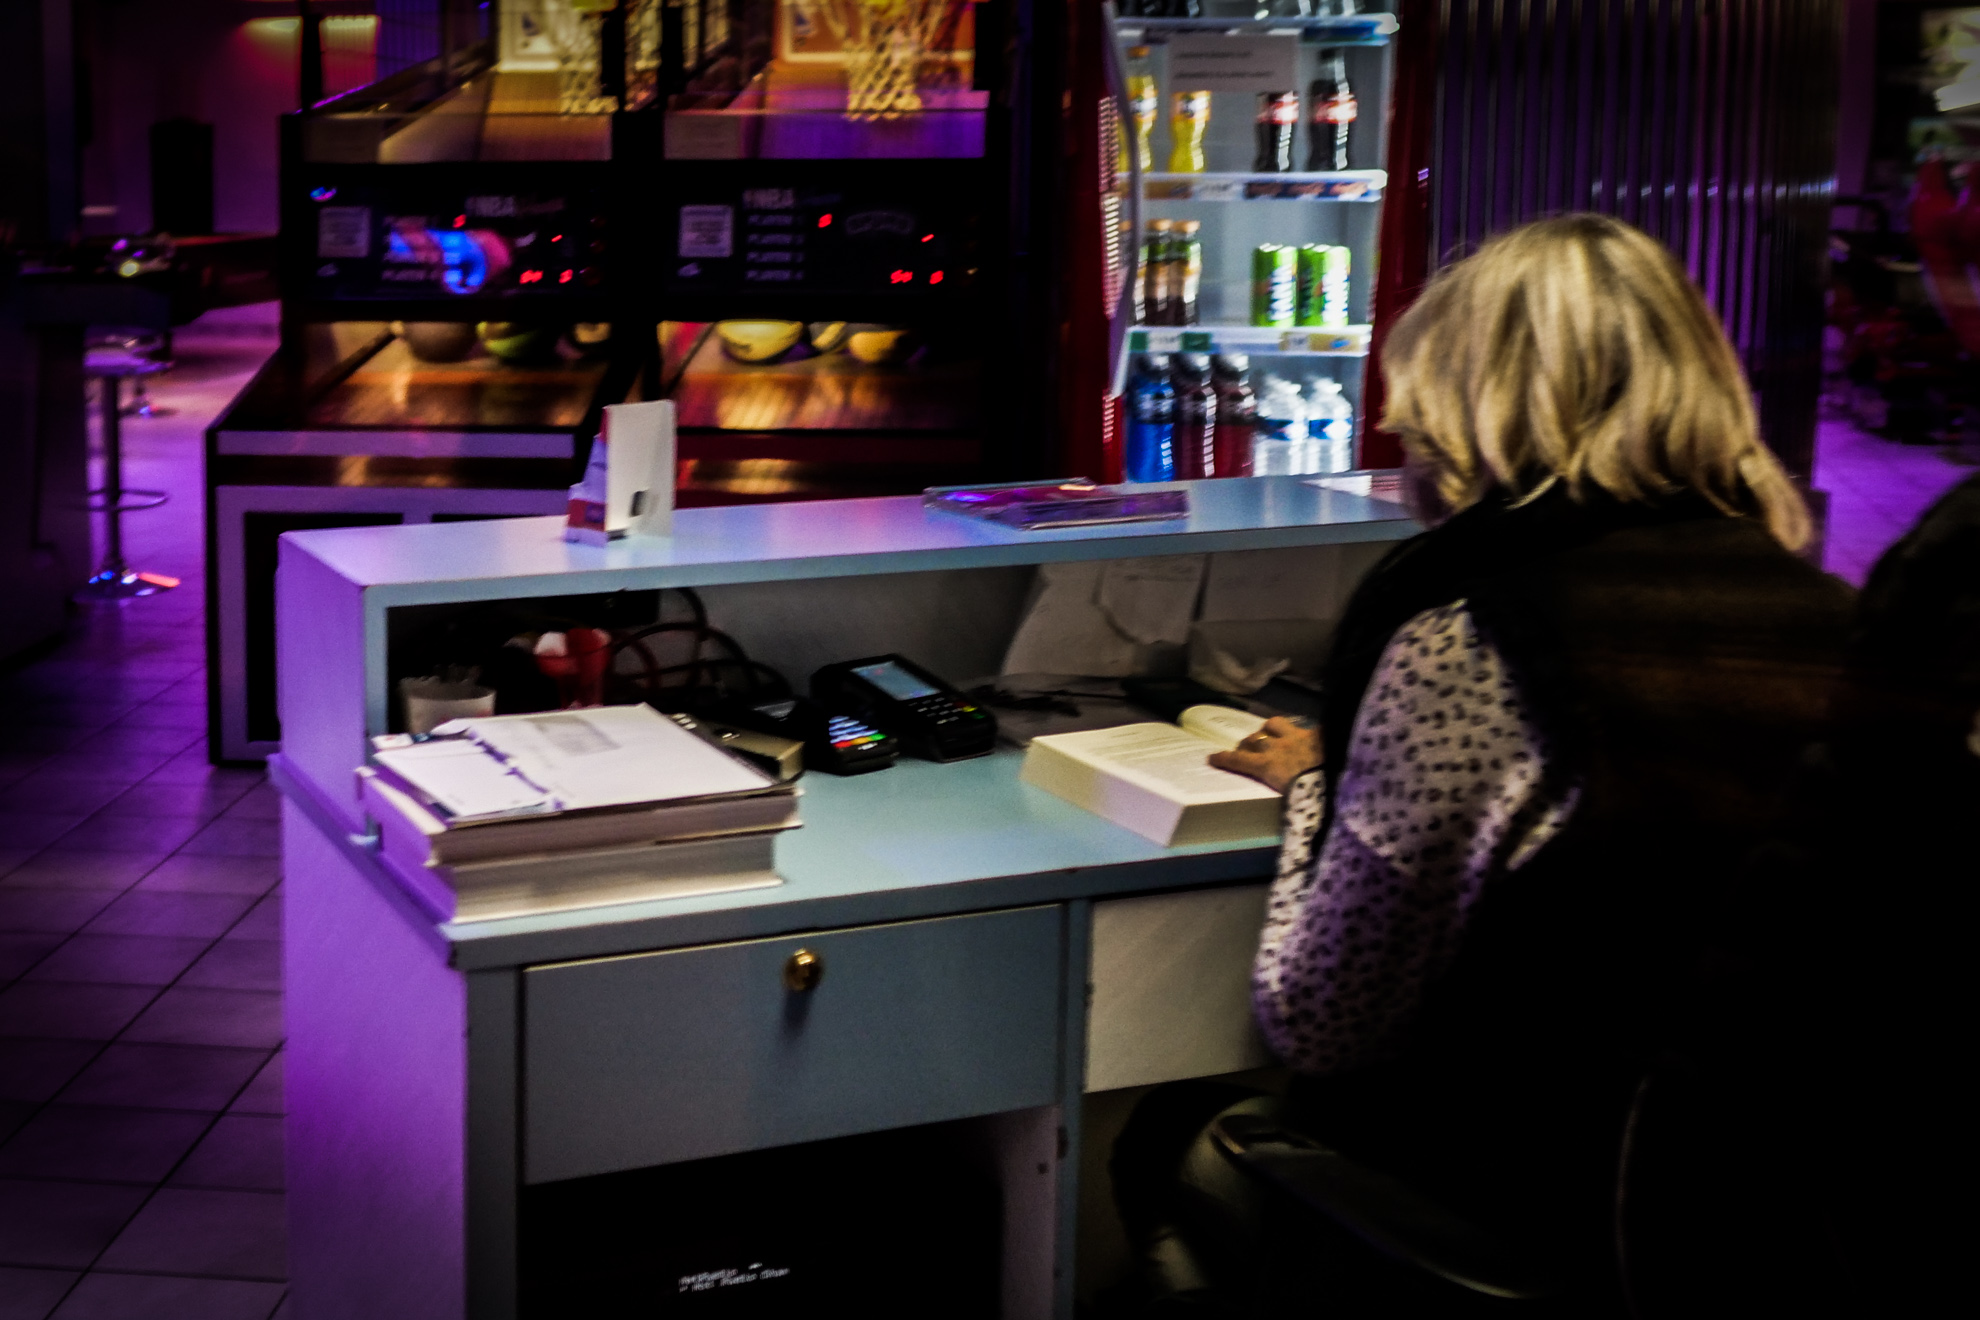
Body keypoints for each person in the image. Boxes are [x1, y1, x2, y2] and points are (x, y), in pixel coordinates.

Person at [1115, 214, 1858, 1314]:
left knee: (1163, 1136)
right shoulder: (1845, 621)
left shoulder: (1473, 643)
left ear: (1471, 409)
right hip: (1776, 1224)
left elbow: (1323, 1019)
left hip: (1534, 1211)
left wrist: (1320, 787)